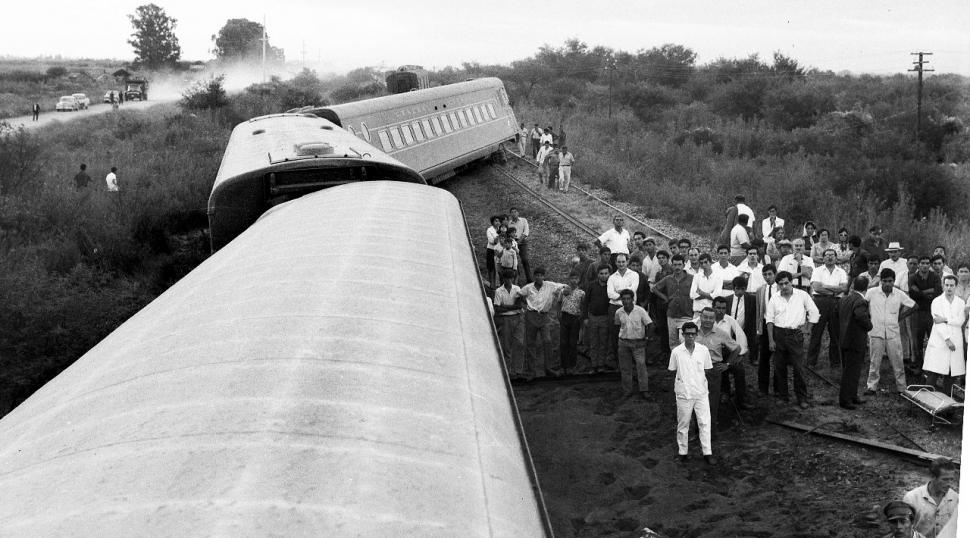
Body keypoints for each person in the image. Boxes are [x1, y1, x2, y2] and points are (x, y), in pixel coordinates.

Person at [766, 270, 820, 408]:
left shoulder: (802, 295)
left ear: (791, 282)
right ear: (777, 285)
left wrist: (807, 329)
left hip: (796, 334)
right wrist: (771, 340)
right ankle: (783, 397)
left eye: (786, 283)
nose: (784, 286)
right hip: (779, 334)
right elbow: (770, 320)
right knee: (779, 367)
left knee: (799, 367)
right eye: (781, 284)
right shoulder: (774, 298)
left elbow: (814, 312)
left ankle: (802, 398)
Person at [668, 322, 715, 465]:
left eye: (693, 334)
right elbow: (673, 370)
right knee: (683, 424)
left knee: (704, 423)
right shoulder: (676, 352)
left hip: (701, 393)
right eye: (687, 334)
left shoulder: (703, 350)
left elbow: (707, 369)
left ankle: (707, 452)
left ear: (696, 334)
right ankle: (683, 452)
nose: (690, 336)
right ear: (682, 335)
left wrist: (698, 381)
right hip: (684, 394)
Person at [866, 268, 916, 395]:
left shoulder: (899, 294)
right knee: (874, 361)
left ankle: (902, 388)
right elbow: (863, 305)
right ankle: (871, 387)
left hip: (893, 332)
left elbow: (914, 305)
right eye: (885, 281)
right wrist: (868, 319)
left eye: (890, 281)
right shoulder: (872, 292)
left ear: (894, 281)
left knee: (898, 362)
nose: (887, 284)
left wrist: (900, 316)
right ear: (880, 281)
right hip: (875, 331)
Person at [694, 307, 741, 430]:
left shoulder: (721, 334)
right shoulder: (693, 332)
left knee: (711, 402)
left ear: (714, 319)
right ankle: (696, 429)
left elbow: (737, 349)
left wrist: (727, 364)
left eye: (711, 318)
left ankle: (710, 431)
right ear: (700, 317)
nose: (708, 320)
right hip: (695, 370)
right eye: (705, 317)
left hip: (713, 371)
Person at [520, 267, 568, 378]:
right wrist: (525, 307)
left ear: (544, 276)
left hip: (544, 316)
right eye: (537, 275)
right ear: (534, 276)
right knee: (531, 343)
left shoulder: (549, 285)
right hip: (531, 315)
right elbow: (519, 295)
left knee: (547, 341)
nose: (539, 277)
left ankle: (549, 368)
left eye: (541, 275)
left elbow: (563, 286)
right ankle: (531, 371)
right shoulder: (528, 287)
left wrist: (563, 290)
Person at [923, 274, 966, 391]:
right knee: (934, 370)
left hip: (956, 339)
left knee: (951, 372)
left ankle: (947, 398)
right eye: (946, 285)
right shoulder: (937, 302)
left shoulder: (961, 303)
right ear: (943, 286)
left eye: (952, 285)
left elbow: (960, 321)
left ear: (956, 286)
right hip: (940, 340)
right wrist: (947, 340)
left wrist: (946, 319)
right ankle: (927, 398)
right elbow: (938, 323)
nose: (949, 288)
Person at [808, 248, 848, 369]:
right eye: (827, 255)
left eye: (832, 255)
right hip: (820, 302)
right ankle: (811, 362)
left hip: (837, 303)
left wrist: (825, 286)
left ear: (836, 258)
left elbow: (844, 288)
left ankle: (835, 363)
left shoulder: (841, 271)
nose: (830, 257)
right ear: (823, 258)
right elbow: (816, 287)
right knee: (816, 332)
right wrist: (834, 289)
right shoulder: (817, 270)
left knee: (835, 334)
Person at [837, 276, 872, 409]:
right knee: (851, 371)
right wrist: (869, 326)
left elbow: (836, 314)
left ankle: (852, 396)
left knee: (851, 370)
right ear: (866, 288)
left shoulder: (844, 299)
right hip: (855, 341)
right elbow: (860, 316)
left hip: (844, 339)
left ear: (853, 286)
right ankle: (845, 400)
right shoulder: (861, 301)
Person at [902, 457, 959, 538]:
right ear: (932, 477)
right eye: (945, 479)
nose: (949, 483)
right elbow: (904, 531)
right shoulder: (912, 498)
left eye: (951, 479)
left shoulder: (956, 499)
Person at [716, 291, 754, 410]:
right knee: (719, 371)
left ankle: (741, 399)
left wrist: (740, 354)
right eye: (718, 308)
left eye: (723, 308)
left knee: (739, 370)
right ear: (713, 307)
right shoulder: (706, 319)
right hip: (712, 354)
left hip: (728, 352)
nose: (720, 311)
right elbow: (689, 329)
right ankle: (724, 393)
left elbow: (740, 335)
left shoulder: (729, 319)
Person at [615, 289, 653, 398]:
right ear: (621, 300)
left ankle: (644, 390)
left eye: (628, 299)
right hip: (623, 343)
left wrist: (646, 339)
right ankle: (627, 390)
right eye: (623, 299)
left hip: (638, 344)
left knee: (641, 366)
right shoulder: (618, 312)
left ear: (632, 299)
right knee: (625, 367)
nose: (626, 301)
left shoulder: (640, 311)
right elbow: (617, 326)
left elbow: (650, 325)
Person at [653, 254, 694, 351]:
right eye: (675, 265)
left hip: (686, 314)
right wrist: (664, 297)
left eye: (679, 265)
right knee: (673, 343)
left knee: (684, 341)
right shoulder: (668, 279)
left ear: (684, 265)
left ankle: (686, 364)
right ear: (672, 265)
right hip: (671, 314)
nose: (677, 267)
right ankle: (675, 364)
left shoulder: (692, 278)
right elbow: (654, 288)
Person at [910, 256, 943, 375]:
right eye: (922, 263)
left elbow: (938, 292)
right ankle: (920, 366)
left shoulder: (935, 277)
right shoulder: (913, 277)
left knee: (933, 340)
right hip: (918, 313)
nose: (925, 265)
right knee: (917, 342)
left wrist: (921, 293)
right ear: (918, 264)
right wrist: (928, 292)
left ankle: (934, 368)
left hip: (932, 313)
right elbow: (913, 294)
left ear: (930, 265)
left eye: (927, 263)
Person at [607, 253, 639, 368]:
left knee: (631, 333)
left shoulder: (634, 275)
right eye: (619, 262)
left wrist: (619, 293)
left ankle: (632, 361)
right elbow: (610, 294)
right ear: (615, 263)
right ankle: (618, 361)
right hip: (615, 308)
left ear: (627, 262)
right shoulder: (611, 277)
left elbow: (632, 290)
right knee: (616, 334)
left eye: (623, 262)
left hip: (630, 308)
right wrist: (623, 294)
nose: (621, 264)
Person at [493, 270, 527, 380]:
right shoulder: (499, 291)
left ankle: (518, 371)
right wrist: (513, 307)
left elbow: (520, 305)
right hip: (505, 319)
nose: (508, 280)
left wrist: (506, 307)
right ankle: (507, 371)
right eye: (506, 278)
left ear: (513, 278)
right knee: (506, 345)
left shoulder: (517, 289)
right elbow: (497, 309)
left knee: (519, 343)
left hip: (518, 318)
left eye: (510, 278)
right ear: (503, 279)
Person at [582, 264, 612, 373]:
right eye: (601, 274)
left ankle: (601, 365)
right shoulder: (591, 285)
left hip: (605, 317)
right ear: (598, 274)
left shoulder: (611, 286)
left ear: (609, 274)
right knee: (593, 342)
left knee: (603, 342)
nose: (604, 276)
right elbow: (585, 302)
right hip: (593, 317)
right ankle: (593, 365)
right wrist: (585, 317)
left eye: (606, 273)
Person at [755, 264, 779, 395]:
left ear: (775, 274)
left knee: (779, 358)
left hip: (779, 325)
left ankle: (778, 388)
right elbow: (759, 311)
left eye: (770, 274)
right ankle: (763, 388)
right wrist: (758, 329)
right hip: (764, 325)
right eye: (765, 274)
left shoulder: (781, 288)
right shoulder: (761, 290)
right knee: (764, 358)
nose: (767, 277)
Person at [559, 273, 585, 375]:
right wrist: (558, 313)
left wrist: (581, 317)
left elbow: (583, 306)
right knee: (563, 342)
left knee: (572, 342)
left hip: (575, 318)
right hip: (565, 317)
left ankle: (572, 365)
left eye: (576, 278)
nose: (574, 280)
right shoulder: (564, 290)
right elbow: (558, 302)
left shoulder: (581, 293)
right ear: (569, 279)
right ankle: (563, 365)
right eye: (572, 278)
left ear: (579, 279)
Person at [728, 275, 758, 366]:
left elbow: (755, 314)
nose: (740, 291)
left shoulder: (752, 299)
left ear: (745, 288)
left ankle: (754, 358)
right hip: (731, 326)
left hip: (747, 325)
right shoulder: (727, 299)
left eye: (743, 289)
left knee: (753, 339)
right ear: (733, 288)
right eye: (737, 289)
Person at [509, 207, 531, 282]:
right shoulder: (509, 223)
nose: (514, 213)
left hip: (522, 242)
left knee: (525, 259)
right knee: (514, 260)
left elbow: (526, 232)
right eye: (512, 212)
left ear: (518, 213)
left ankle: (529, 279)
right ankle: (517, 279)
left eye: (515, 211)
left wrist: (519, 241)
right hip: (512, 242)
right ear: (510, 214)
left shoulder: (523, 220)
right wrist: (514, 243)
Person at [484, 216, 501, 286]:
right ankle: (492, 283)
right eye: (496, 221)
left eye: (498, 221)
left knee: (498, 267)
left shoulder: (501, 229)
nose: (497, 222)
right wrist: (498, 237)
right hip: (491, 250)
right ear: (492, 222)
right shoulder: (489, 230)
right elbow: (491, 241)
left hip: (499, 250)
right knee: (491, 267)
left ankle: (498, 283)